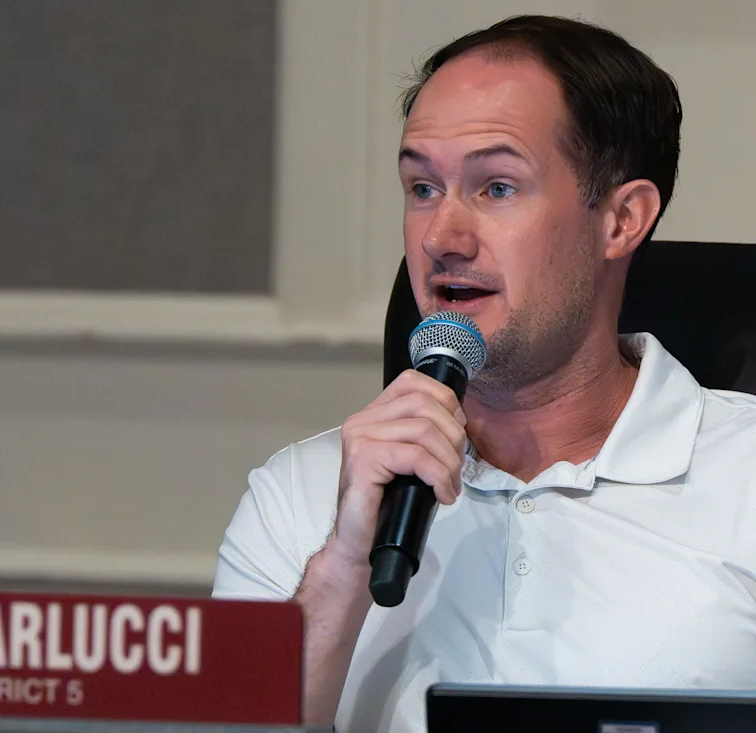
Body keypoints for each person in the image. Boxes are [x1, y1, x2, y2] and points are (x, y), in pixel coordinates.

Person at [213, 14, 756, 733]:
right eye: (421, 188)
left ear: (622, 219)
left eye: (496, 187)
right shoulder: (300, 495)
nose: (442, 236)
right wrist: (345, 563)